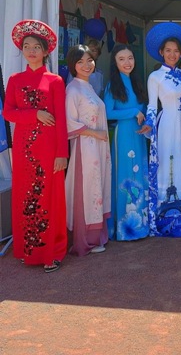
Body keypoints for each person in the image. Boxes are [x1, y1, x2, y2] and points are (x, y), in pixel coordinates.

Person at [4, 20, 68, 273]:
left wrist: (62, 153)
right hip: (23, 150)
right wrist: (35, 114)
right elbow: (7, 112)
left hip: (49, 149)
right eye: (27, 46)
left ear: (45, 51)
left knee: (51, 198)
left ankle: (54, 251)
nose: (31, 51)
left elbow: (61, 120)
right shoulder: (15, 80)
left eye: (36, 47)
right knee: (25, 197)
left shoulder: (55, 81)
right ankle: (28, 249)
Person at [145, 23, 181, 237]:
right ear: (161, 52)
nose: (172, 54)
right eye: (168, 50)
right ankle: (164, 217)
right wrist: (149, 124)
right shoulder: (155, 77)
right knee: (168, 165)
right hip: (167, 124)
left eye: (176, 51)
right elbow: (151, 105)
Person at [65, 45, 112, 256]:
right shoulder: (73, 89)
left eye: (89, 60)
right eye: (80, 61)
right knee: (86, 189)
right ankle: (84, 239)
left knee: (97, 186)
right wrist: (95, 133)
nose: (86, 65)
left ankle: (96, 235)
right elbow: (69, 122)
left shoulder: (89, 86)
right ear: (72, 65)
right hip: (85, 148)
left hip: (98, 146)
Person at [104, 44, 150, 241]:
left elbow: (145, 109)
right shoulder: (112, 85)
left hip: (139, 135)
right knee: (125, 176)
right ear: (115, 62)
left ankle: (141, 224)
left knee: (140, 174)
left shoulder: (137, 82)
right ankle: (124, 228)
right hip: (123, 135)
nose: (127, 62)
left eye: (130, 58)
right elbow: (107, 113)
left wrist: (147, 122)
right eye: (121, 59)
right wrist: (133, 112)